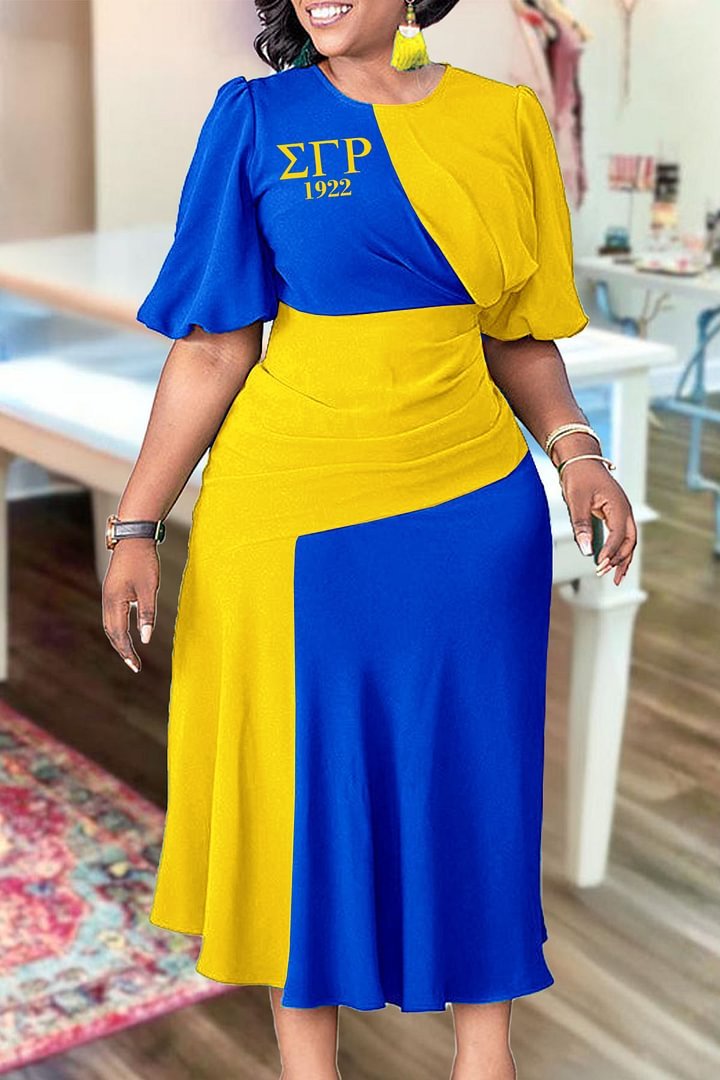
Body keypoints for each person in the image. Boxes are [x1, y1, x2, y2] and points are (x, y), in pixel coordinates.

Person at [101, 2, 637, 1077]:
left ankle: (485, 1058)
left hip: (471, 511)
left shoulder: (505, 119)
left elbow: (519, 332)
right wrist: (136, 523)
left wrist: (577, 450)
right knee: (299, 787)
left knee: (475, 775)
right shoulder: (257, 119)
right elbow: (214, 348)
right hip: (290, 515)